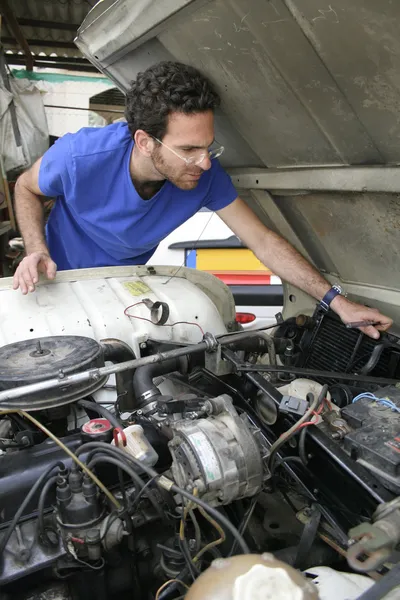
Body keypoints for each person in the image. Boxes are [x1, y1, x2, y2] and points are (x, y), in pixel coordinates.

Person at [13, 61, 392, 340]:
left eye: (208, 146)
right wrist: (35, 249)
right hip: (54, 284)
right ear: (145, 141)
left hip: (122, 291)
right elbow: (25, 187)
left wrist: (338, 303)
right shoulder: (81, 156)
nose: (205, 161)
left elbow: (262, 241)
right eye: (189, 149)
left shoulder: (205, 177)